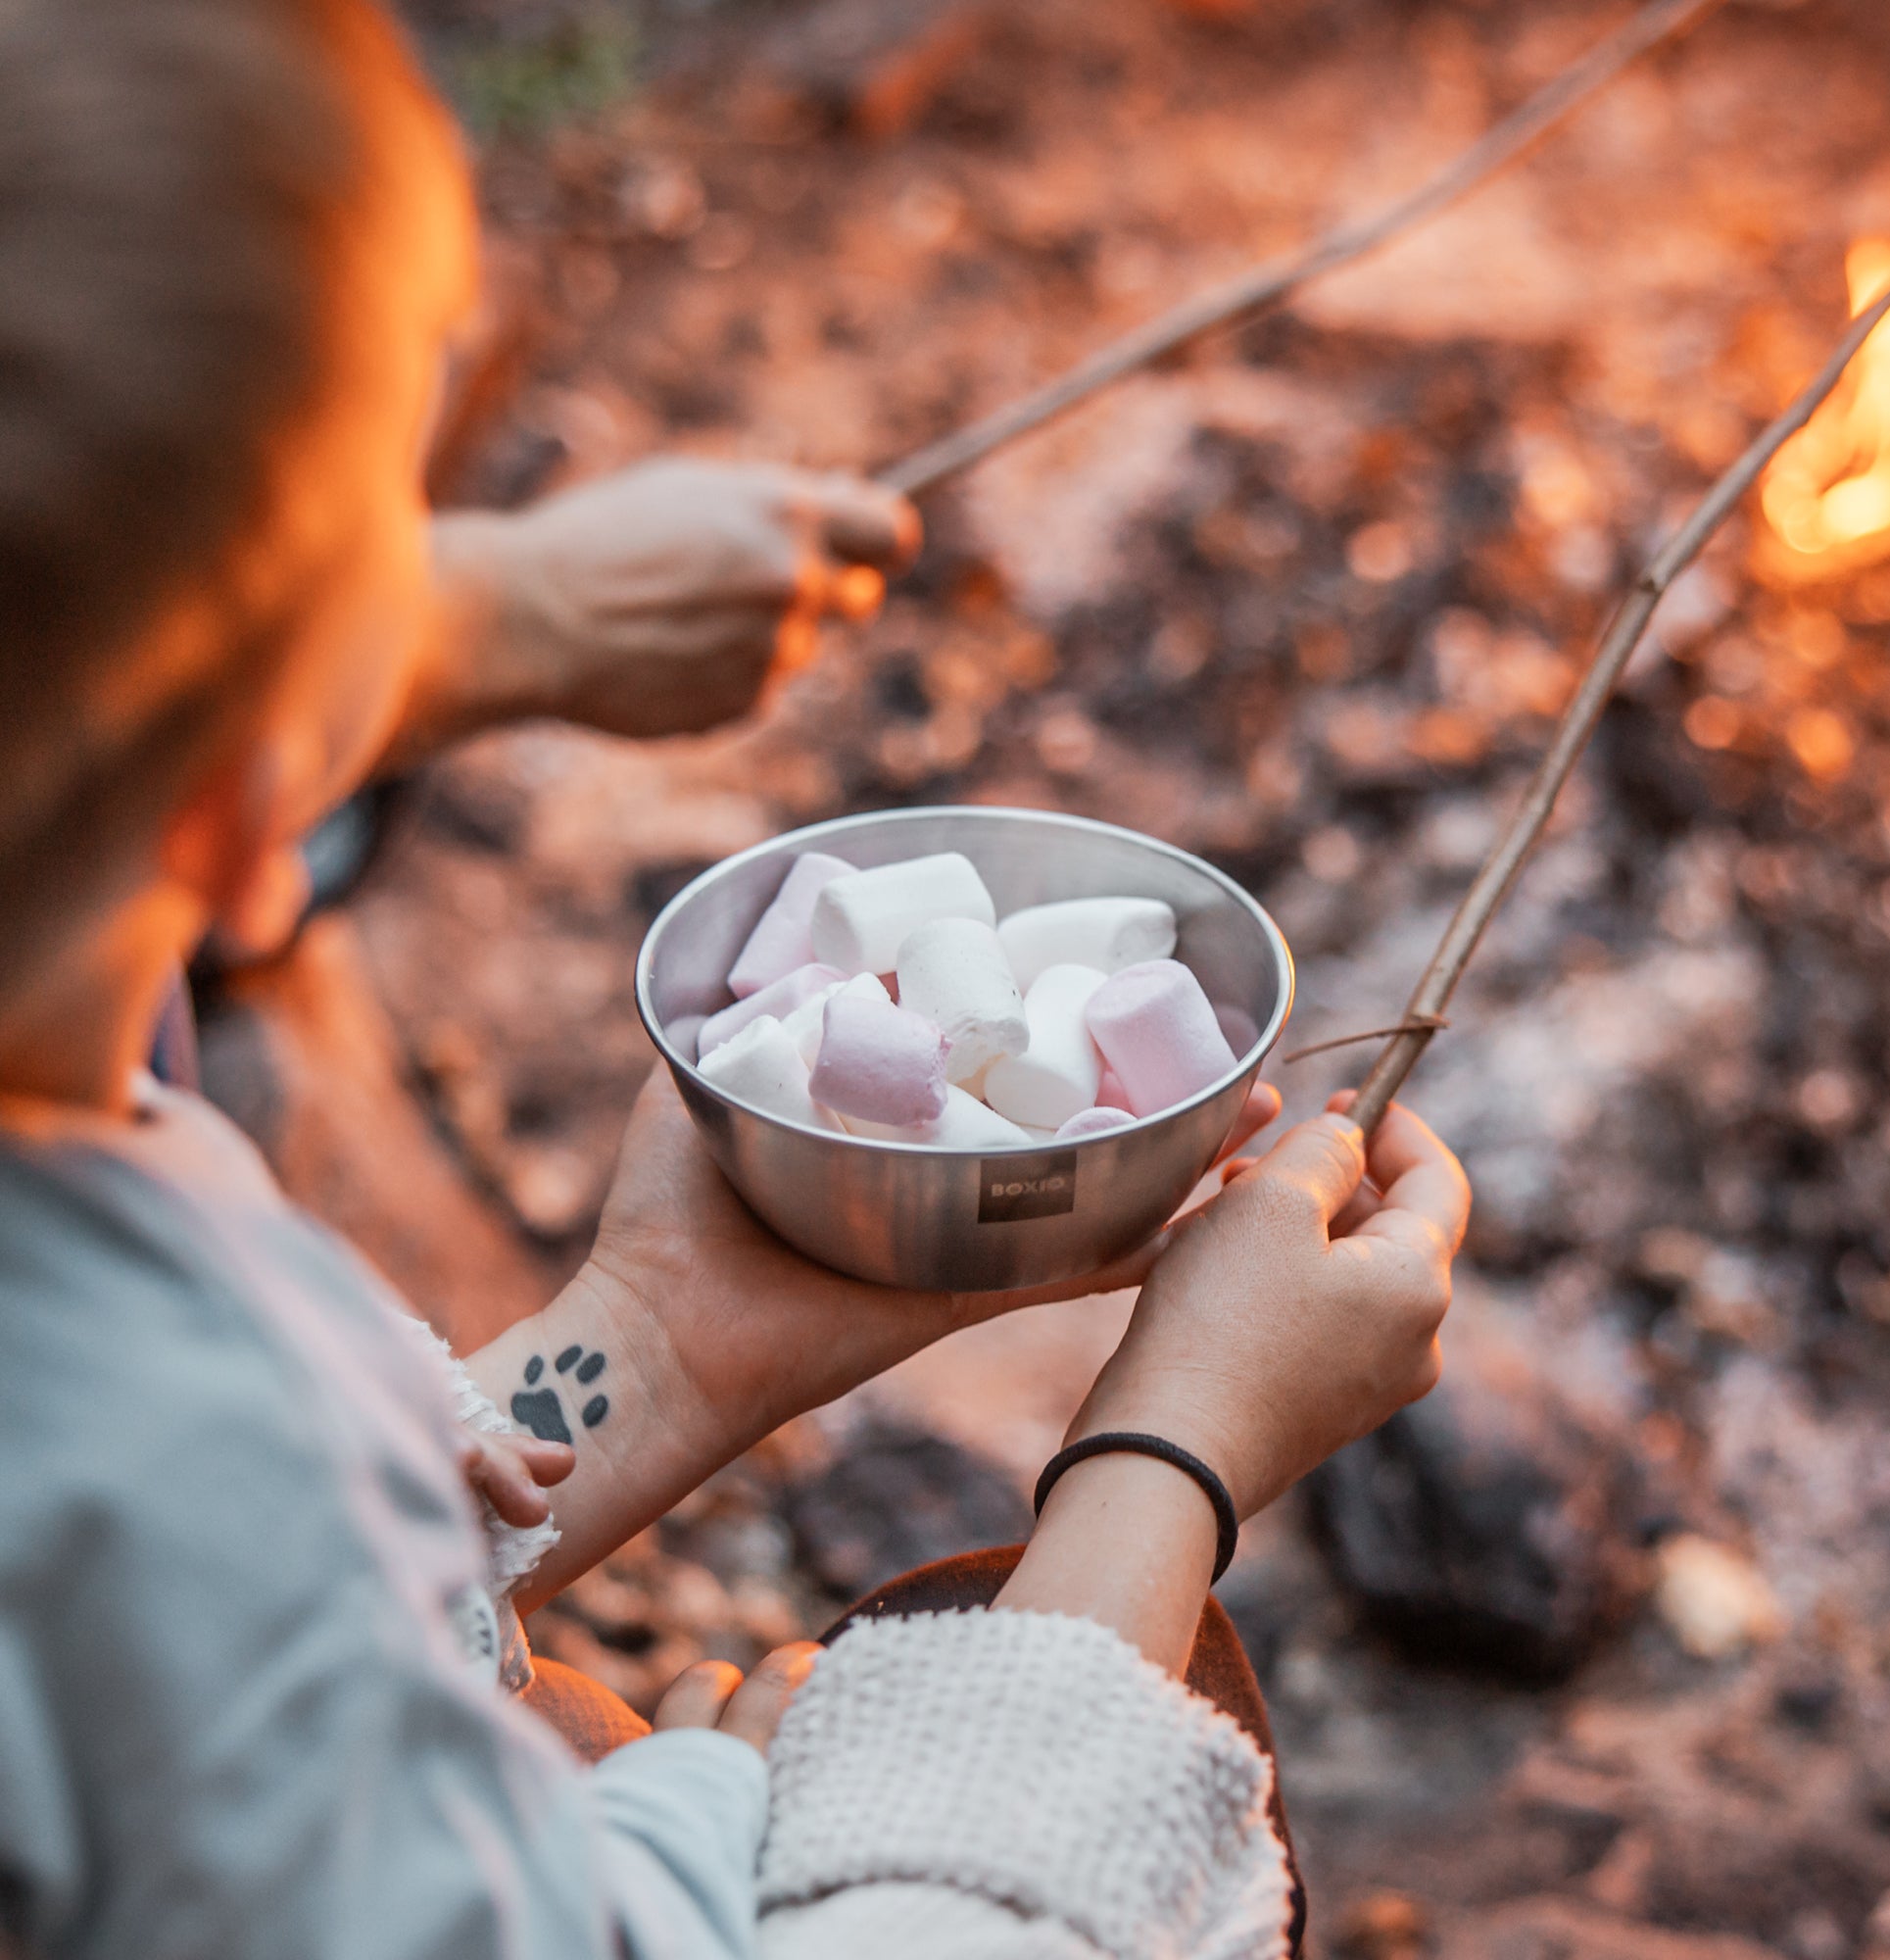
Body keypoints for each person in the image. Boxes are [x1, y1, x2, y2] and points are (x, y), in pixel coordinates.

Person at [0, 3, 1473, 1957]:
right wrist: (1169, 1450)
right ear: (268, 795)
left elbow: (178, 1697)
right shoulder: (167, 1447)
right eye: (403, 507)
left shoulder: (84, 1199)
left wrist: (661, 1334)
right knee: (1105, 1668)